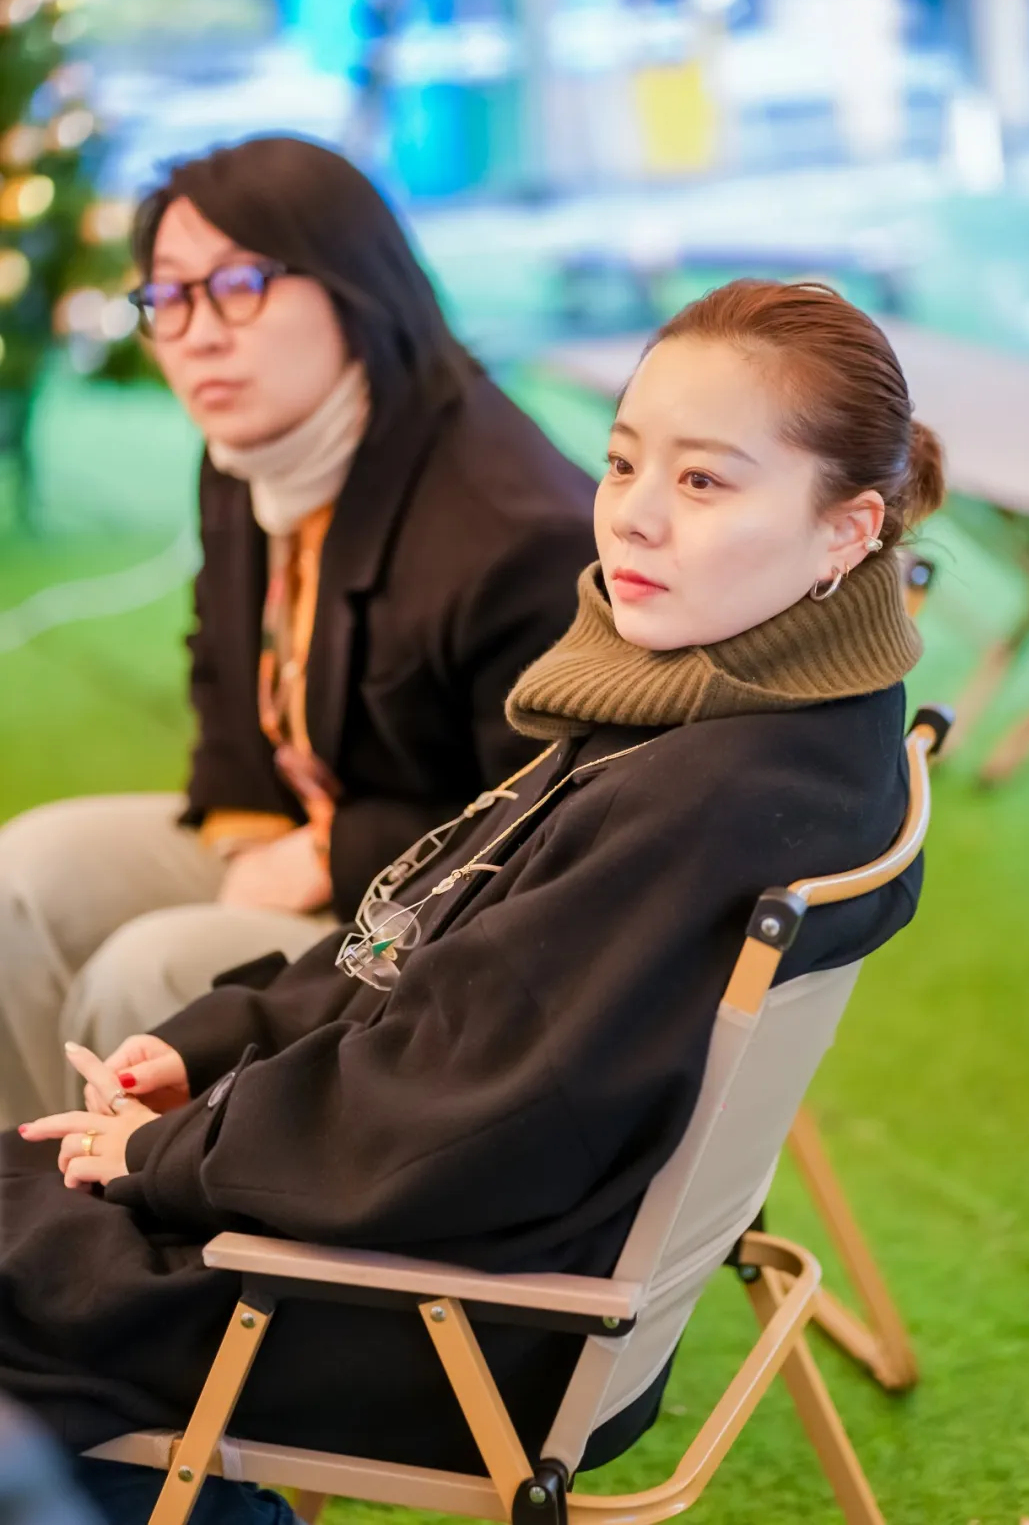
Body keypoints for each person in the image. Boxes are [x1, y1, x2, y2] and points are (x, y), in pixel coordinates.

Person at [1, 280, 945, 1523]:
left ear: (845, 531)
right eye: (622, 463)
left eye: (706, 481)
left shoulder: (710, 792)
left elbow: (449, 1116)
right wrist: (219, 1044)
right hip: (455, 1249)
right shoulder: (758, 711)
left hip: (444, 1314)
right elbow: (434, 940)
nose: (635, 515)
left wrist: (167, 1157)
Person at [0, 135, 596, 1129]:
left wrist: (328, 858)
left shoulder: (512, 532)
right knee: (22, 879)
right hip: (308, 833)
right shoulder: (255, 449)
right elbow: (224, 666)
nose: (197, 334)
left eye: (239, 284)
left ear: (356, 286)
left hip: (448, 923)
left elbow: (547, 839)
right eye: (168, 296)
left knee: (148, 973)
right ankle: (31, 1198)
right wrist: (251, 829)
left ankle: (132, 1226)